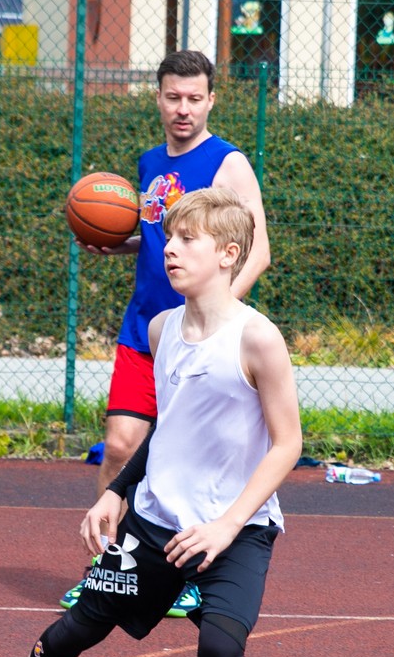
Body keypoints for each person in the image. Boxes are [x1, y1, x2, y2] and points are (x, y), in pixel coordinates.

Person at [0, 188, 301, 657]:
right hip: (155, 521)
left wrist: (226, 525)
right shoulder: (162, 330)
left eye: (187, 239)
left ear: (228, 254)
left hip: (235, 529)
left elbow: (288, 444)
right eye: (170, 238)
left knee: (221, 653)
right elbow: (170, 428)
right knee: (77, 627)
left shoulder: (258, 339)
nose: (170, 249)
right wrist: (115, 490)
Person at [65, 48, 271, 619]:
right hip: (145, 329)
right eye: (174, 97)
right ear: (158, 98)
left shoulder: (228, 163)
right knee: (121, 445)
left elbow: (259, 250)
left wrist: (216, 315)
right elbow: (163, 238)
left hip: (203, 337)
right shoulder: (150, 161)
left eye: (194, 98)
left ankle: (200, 573)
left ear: (211, 101)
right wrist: (120, 242)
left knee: (198, 459)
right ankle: (108, 573)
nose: (184, 109)